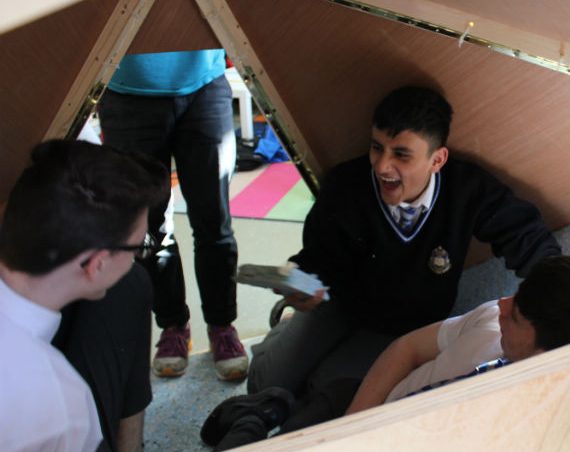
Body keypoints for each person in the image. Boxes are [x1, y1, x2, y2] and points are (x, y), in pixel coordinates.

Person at [247, 85, 561, 397]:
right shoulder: (345, 184)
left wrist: (556, 291)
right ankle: (286, 324)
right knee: (267, 382)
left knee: (326, 392)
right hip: (338, 306)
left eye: (401, 154)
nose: (382, 166)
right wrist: (299, 281)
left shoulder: (468, 189)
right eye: (376, 147)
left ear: (437, 160)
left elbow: (528, 238)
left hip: (404, 329)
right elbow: (318, 256)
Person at [200, 255, 570, 450]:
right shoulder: (492, 319)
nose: (502, 304)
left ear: (547, 354)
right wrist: (353, 427)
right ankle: (264, 412)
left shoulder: (538, 420)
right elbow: (406, 349)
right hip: (361, 403)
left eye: (516, 315)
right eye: (514, 297)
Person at [0, 139, 169, 451]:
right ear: (97, 264)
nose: (137, 257)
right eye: (140, 246)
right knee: (133, 286)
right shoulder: (60, 407)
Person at [98, 49, 248, 380]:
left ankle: (222, 325)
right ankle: (173, 326)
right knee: (148, 229)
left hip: (203, 86)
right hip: (128, 94)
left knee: (214, 222)